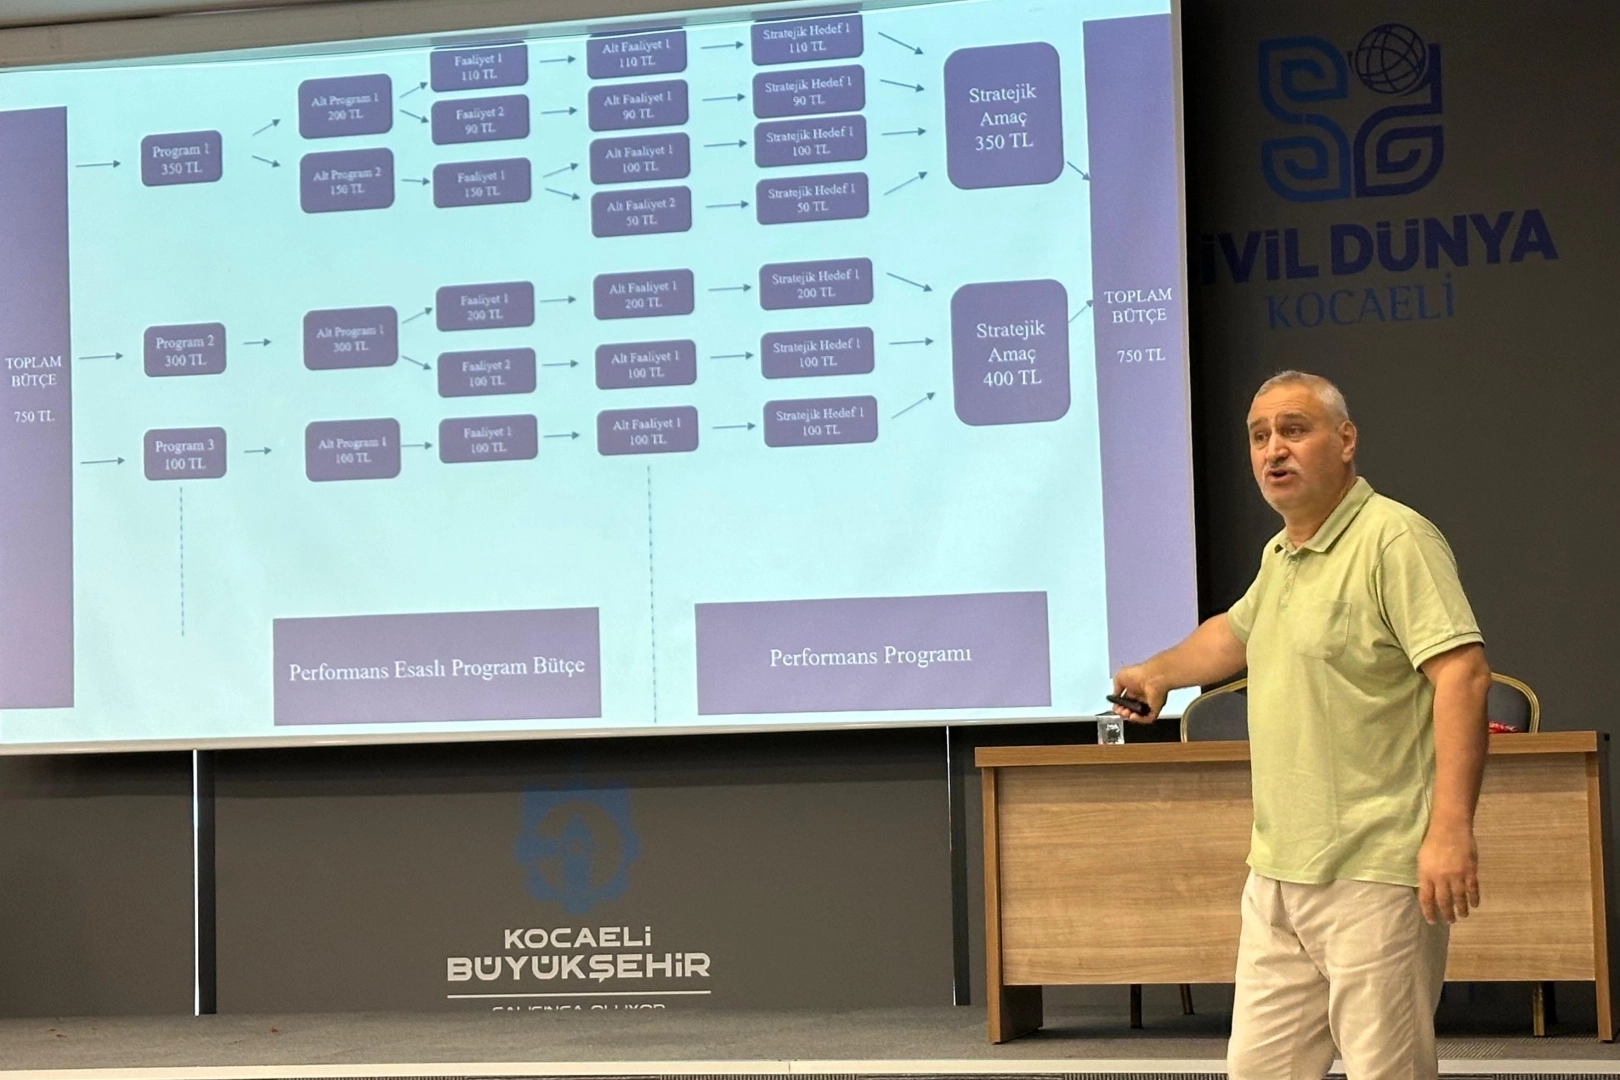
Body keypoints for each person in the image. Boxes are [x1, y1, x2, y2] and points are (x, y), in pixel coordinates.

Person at [1111, 371, 1491, 1080]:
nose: (1273, 450)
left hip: (1376, 872)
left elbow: (1463, 676)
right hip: (1278, 878)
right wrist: (1158, 672)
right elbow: (1233, 633)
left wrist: (1450, 830)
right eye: (1259, 437)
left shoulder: (1394, 539)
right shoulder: (1282, 553)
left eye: (1293, 430)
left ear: (1345, 441)